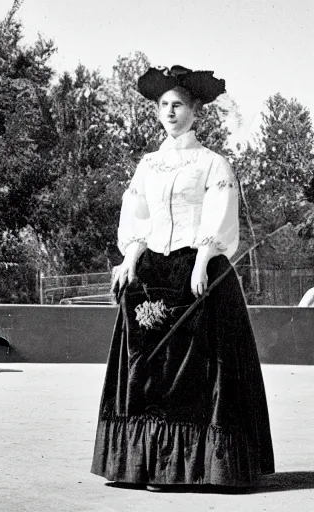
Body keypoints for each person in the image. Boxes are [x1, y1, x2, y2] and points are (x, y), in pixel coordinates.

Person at [91, 65, 275, 491]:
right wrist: (129, 258)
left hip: (198, 274)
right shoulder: (148, 165)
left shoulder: (213, 163)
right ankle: (143, 465)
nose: (170, 112)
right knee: (145, 371)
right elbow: (137, 217)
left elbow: (220, 218)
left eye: (178, 105)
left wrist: (202, 259)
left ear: (195, 110)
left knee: (193, 372)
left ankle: (190, 469)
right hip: (151, 274)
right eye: (164, 105)